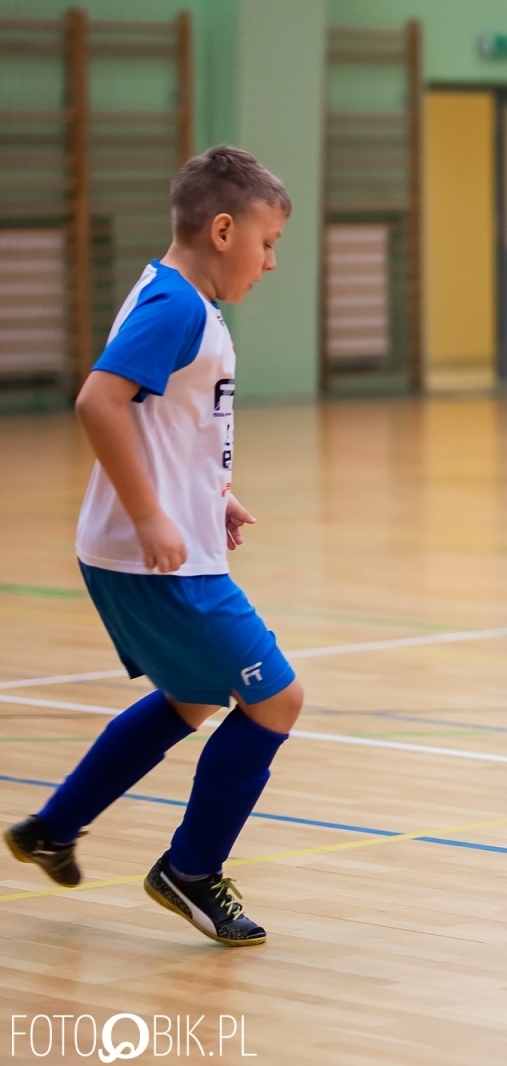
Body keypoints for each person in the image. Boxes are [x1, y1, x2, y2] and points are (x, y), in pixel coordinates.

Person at [4, 146, 299, 947]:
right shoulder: (176, 307)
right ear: (224, 228)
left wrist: (212, 497)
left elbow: (167, 425)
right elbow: (99, 403)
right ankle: (191, 871)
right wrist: (151, 517)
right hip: (154, 560)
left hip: (147, 551)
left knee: (196, 697)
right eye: (268, 244)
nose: (271, 263)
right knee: (277, 700)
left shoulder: (179, 301)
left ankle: (53, 828)